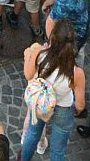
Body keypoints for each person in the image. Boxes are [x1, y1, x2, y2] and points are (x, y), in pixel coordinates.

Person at [19, 24, 86, 161]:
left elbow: (28, 74)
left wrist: (28, 56)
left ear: (52, 39)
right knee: (58, 150)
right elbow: (80, 105)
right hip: (63, 109)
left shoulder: (39, 53)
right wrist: (77, 110)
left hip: (40, 104)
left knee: (32, 134)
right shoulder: (77, 72)